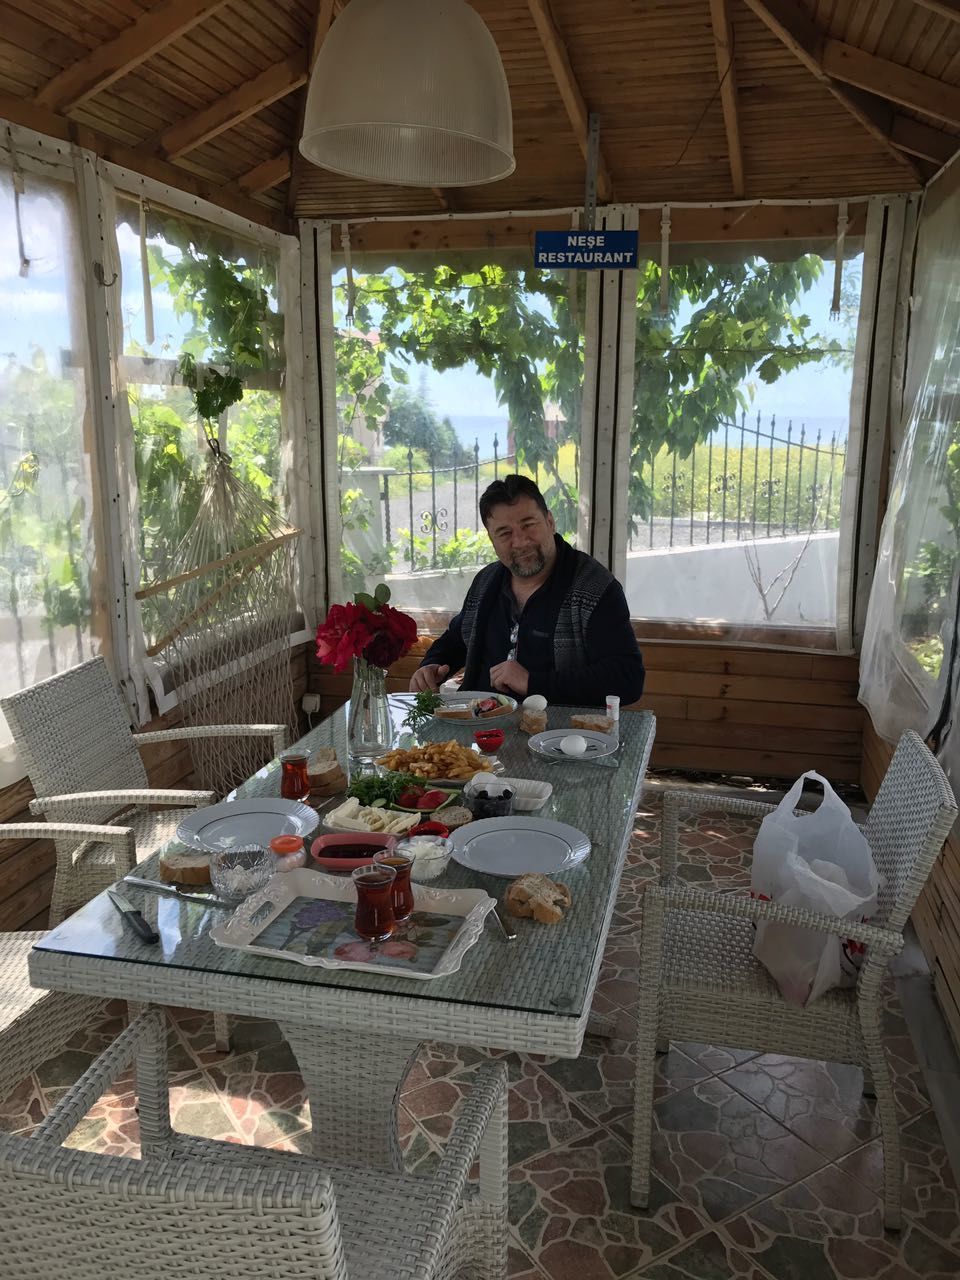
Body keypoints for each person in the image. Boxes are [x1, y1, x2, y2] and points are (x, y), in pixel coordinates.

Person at [410, 474, 645, 706]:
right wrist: (432, 663)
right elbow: (457, 638)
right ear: (492, 540)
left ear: (550, 522)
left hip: (559, 736)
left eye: (529, 525)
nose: (521, 541)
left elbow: (627, 679)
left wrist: (533, 683)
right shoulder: (486, 581)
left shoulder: (595, 588)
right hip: (478, 730)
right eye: (504, 533)